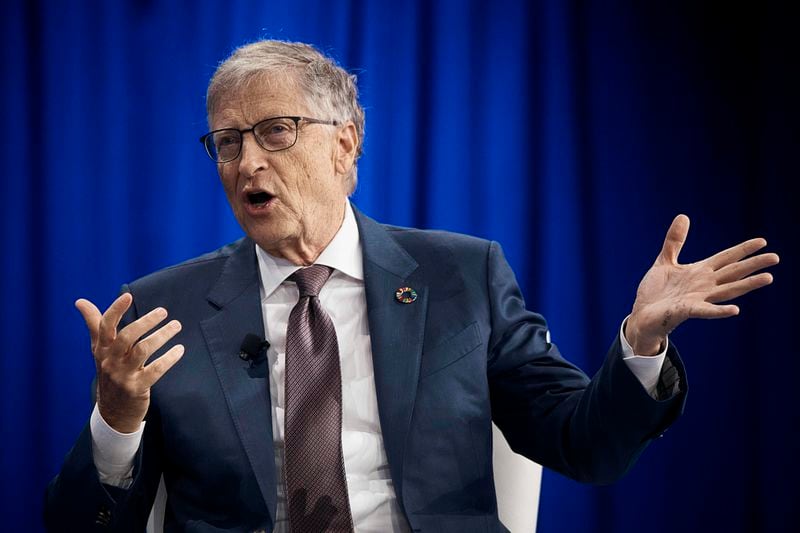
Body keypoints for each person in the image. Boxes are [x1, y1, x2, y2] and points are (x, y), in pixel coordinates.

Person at [44, 40, 779, 533]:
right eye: (227, 142)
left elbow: (584, 445)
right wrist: (116, 420)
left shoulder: (463, 277)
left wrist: (640, 343)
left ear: (345, 142)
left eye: (273, 131)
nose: (245, 162)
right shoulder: (160, 309)